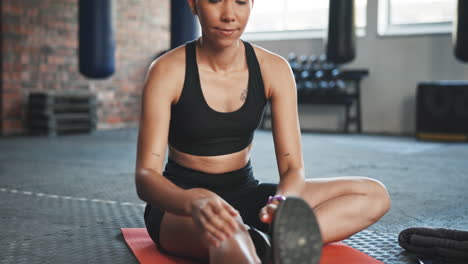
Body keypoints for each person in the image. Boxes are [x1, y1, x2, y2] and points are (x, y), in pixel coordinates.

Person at [134, 0, 391, 263]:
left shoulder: (274, 69)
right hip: (181, 205)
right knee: (233, 240)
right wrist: (192, 202)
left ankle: (276, 240)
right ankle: (262, 244)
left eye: (241, 2)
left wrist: (283, 202)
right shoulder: (166, 71)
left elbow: (293, 168)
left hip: (246, 193)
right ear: (193, 4)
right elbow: (146, 177)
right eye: (214, 1)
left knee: (372, 194)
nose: (229, 15)